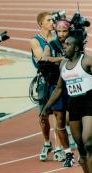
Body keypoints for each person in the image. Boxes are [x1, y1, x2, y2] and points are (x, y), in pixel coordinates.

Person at [41, 35, 92, 173]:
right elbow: (59, 89)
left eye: (68, 44)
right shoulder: (63, 64)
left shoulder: (88, 61)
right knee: (81, 147)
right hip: (74, 105)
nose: (64, 46)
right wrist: (46, 107)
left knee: (89, 142)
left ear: (76, 47)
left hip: (89, 102)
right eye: (64, 44)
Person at [40, 19, 75, 167]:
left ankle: (72, 144)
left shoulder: (74, 44)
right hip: (55, 85)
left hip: (73, 84)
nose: (61, 34)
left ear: (69, 31)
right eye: (59, 31)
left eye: (64, 31)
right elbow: (44, 58)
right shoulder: (51, 45)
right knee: (59, 117)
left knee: (72, 118)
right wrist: (61, 59)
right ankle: (63, 150)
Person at [30, 11, 62, 161]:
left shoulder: (58, 37)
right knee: (43, 115)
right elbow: (43, 59)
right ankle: (46, 142)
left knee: (58, 113)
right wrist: (60, 57)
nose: (52, 22)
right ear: (41, 23)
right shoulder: (35, 41)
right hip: (44, 79)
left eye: (53, 20)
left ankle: (59, 146)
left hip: (58, 79)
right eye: (49, 20)